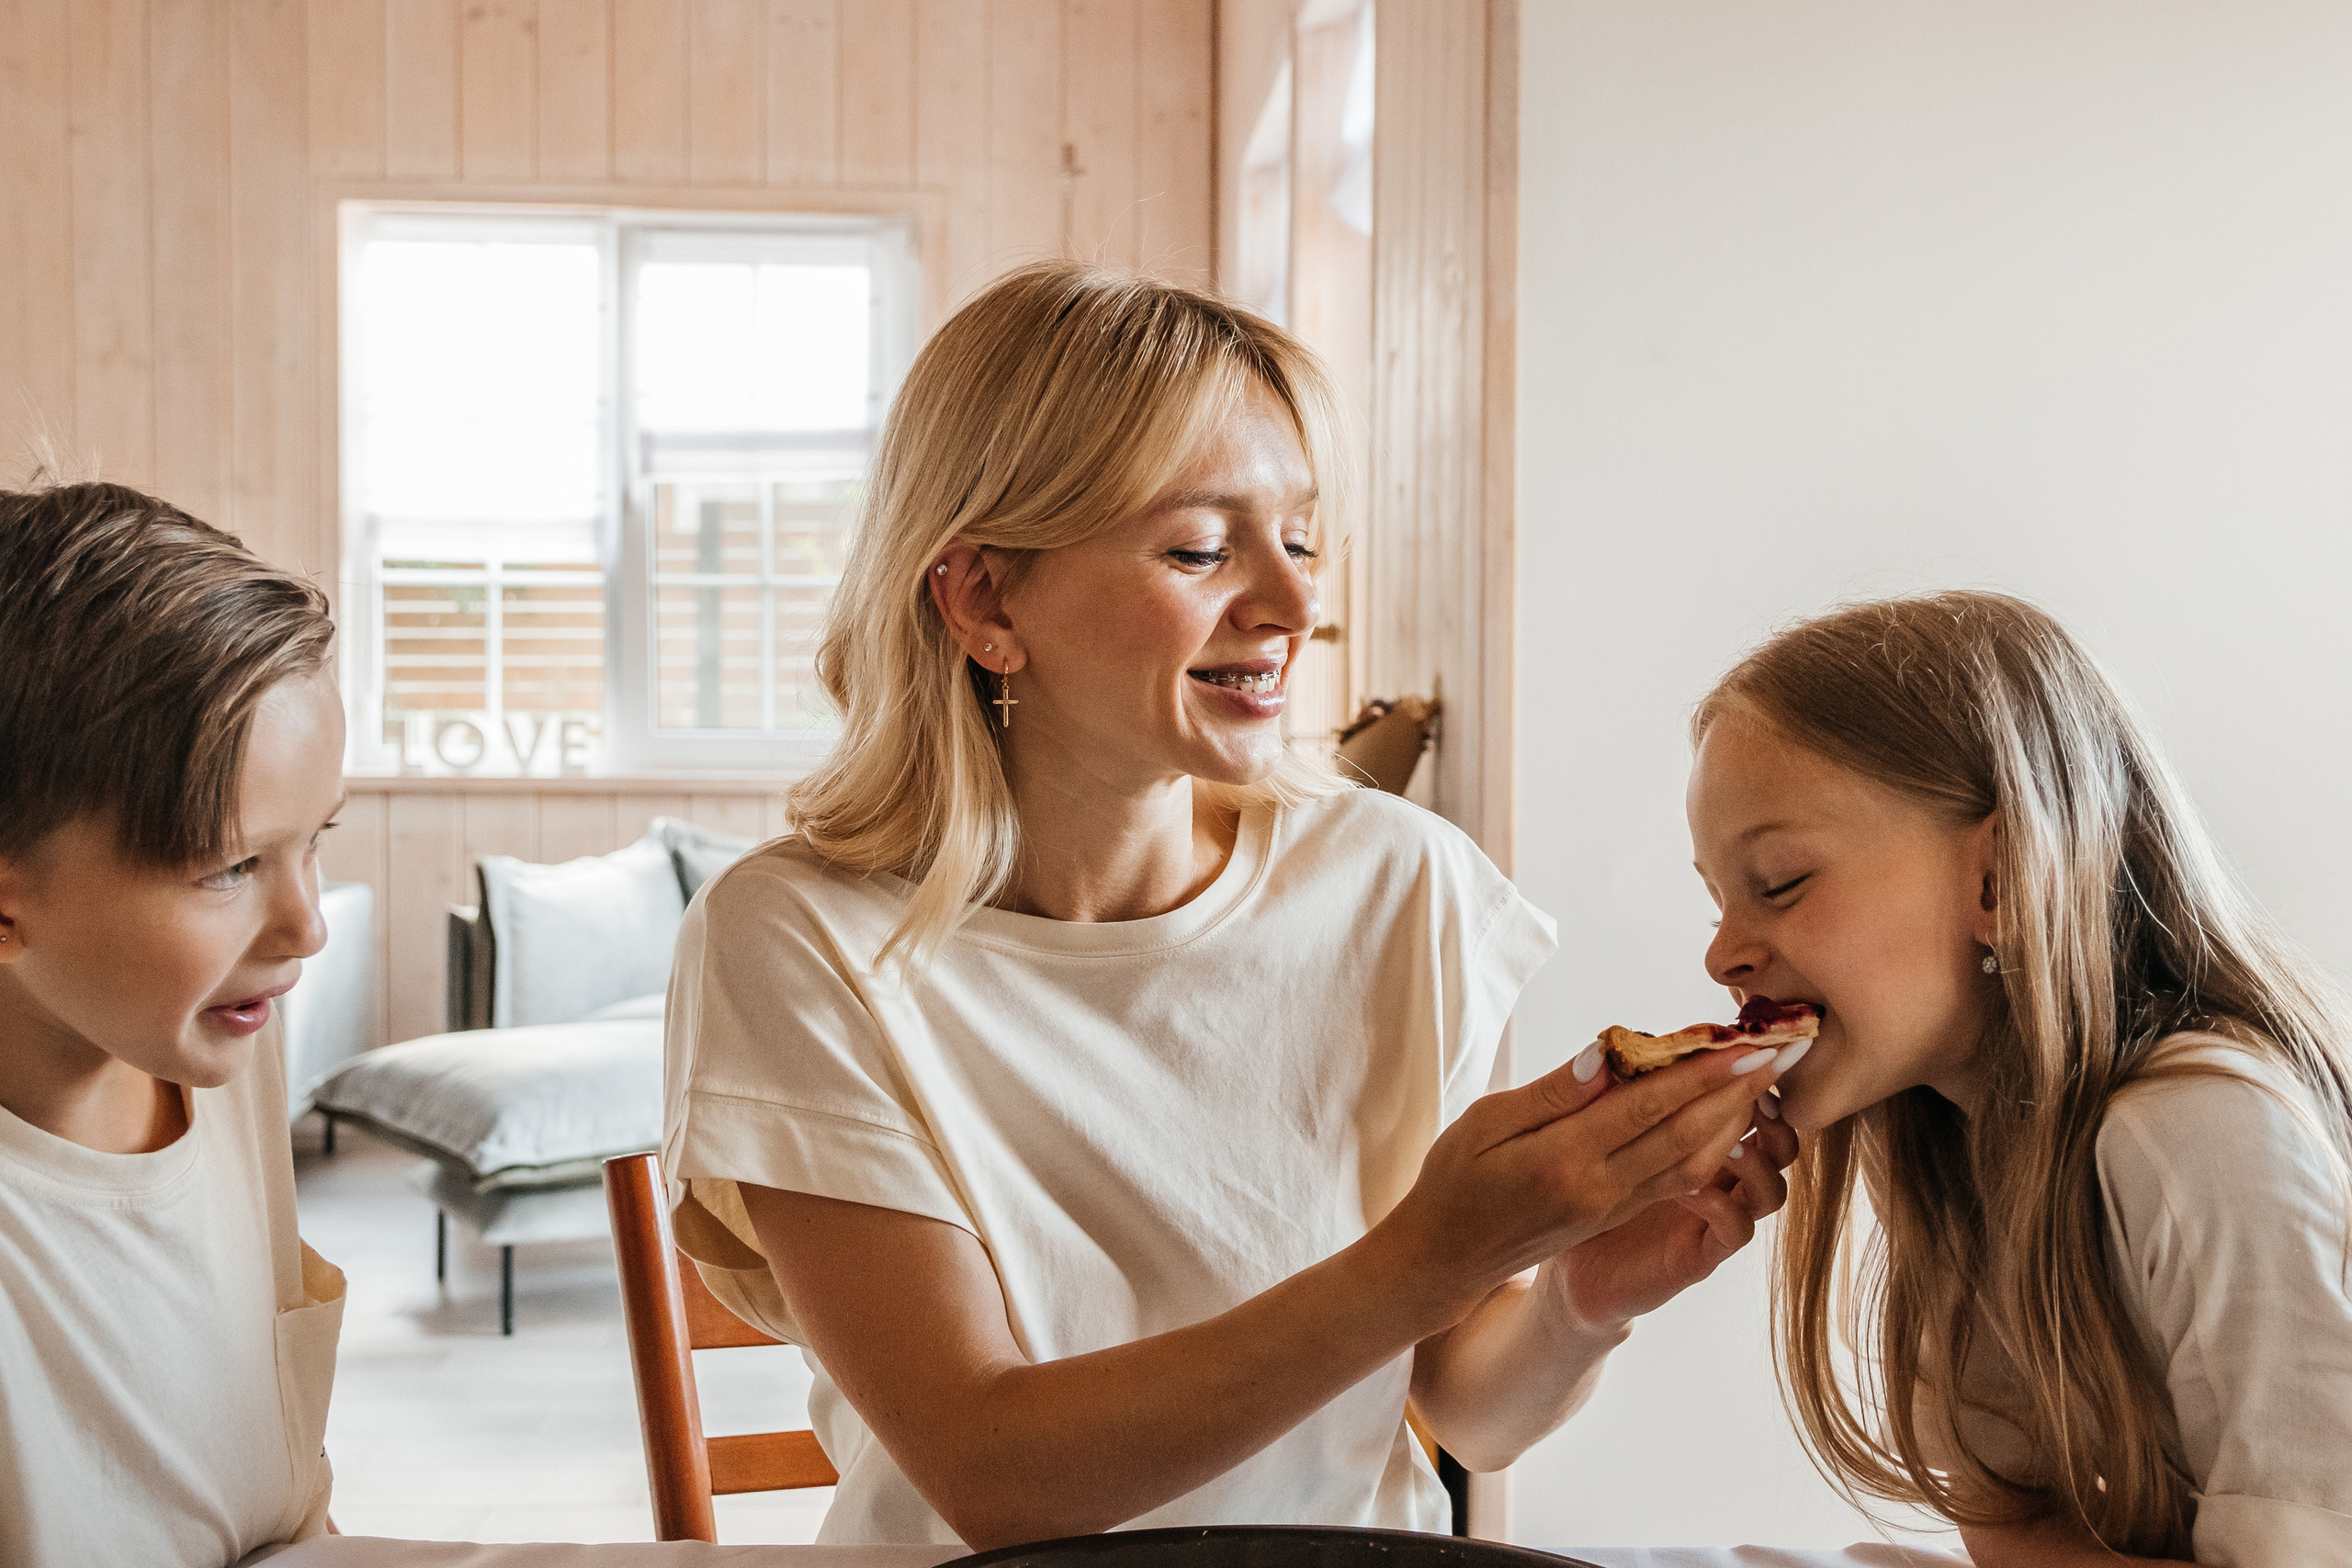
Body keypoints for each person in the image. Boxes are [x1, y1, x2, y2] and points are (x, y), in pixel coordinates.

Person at [662, 262, 1807, 1548]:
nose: (1298, 605)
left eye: (1303, 538)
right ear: (985, 598)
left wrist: (1582, 1300)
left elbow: (1468, 1410)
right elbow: (991, 1472)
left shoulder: (1403, 884)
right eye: (1201, 547)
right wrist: (1426, 1255)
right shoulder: (799, 942)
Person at [1685, 592, 2352, 1567]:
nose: (1721, 957)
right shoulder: (1955, 1152)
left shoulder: (2196, 1133)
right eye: (1713, 899)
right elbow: (2014, 1530)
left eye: (1778, 882)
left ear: (1999, 880)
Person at [0, 480, 348, 1566]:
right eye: (229, 868)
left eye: (314, 842)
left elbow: (282, 1514)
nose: (306, 928)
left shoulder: (227, 1045)